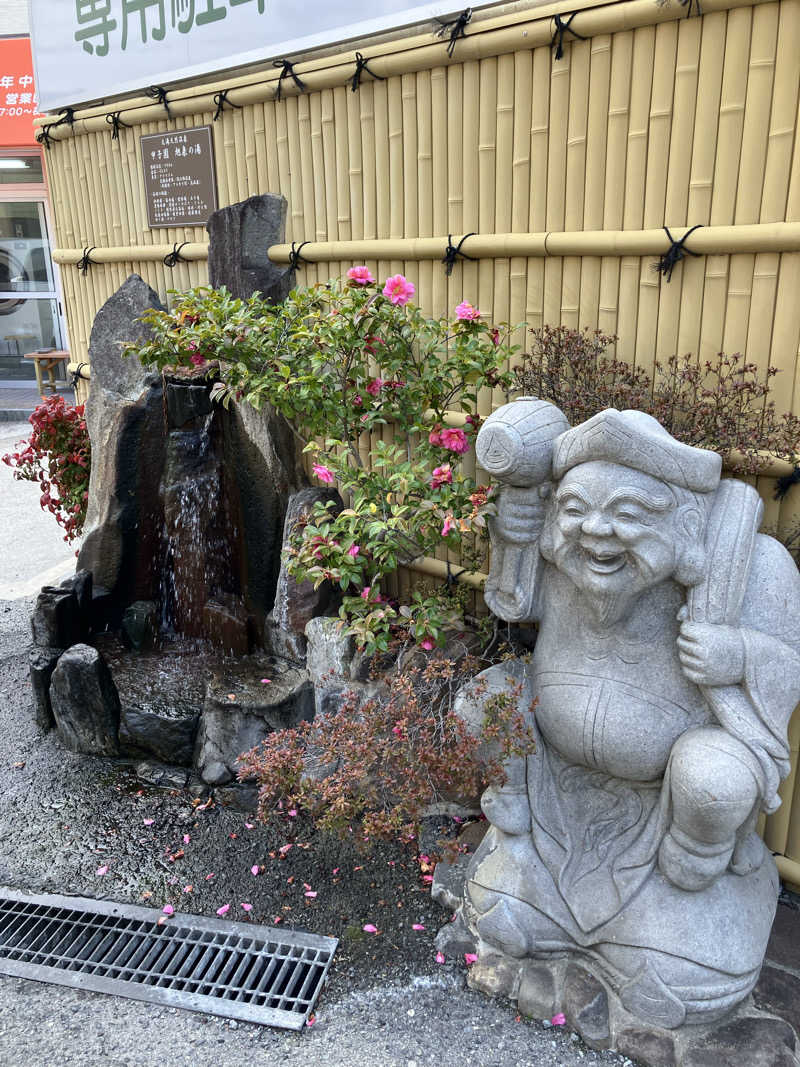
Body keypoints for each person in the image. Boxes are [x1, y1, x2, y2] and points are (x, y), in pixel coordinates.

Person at [463, 406, 800, 1028]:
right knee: (483, 702)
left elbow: (787, 662)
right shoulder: (563, 556)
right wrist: (513, 532)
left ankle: (690, 878)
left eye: (627, 513)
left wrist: (739, 653)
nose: (596, 531)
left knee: (713, 784)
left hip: (665, 800)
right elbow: (512, 601)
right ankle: (523, 846)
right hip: (556, 790)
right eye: (576, 508)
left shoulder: (752, 569)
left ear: (687, 521)